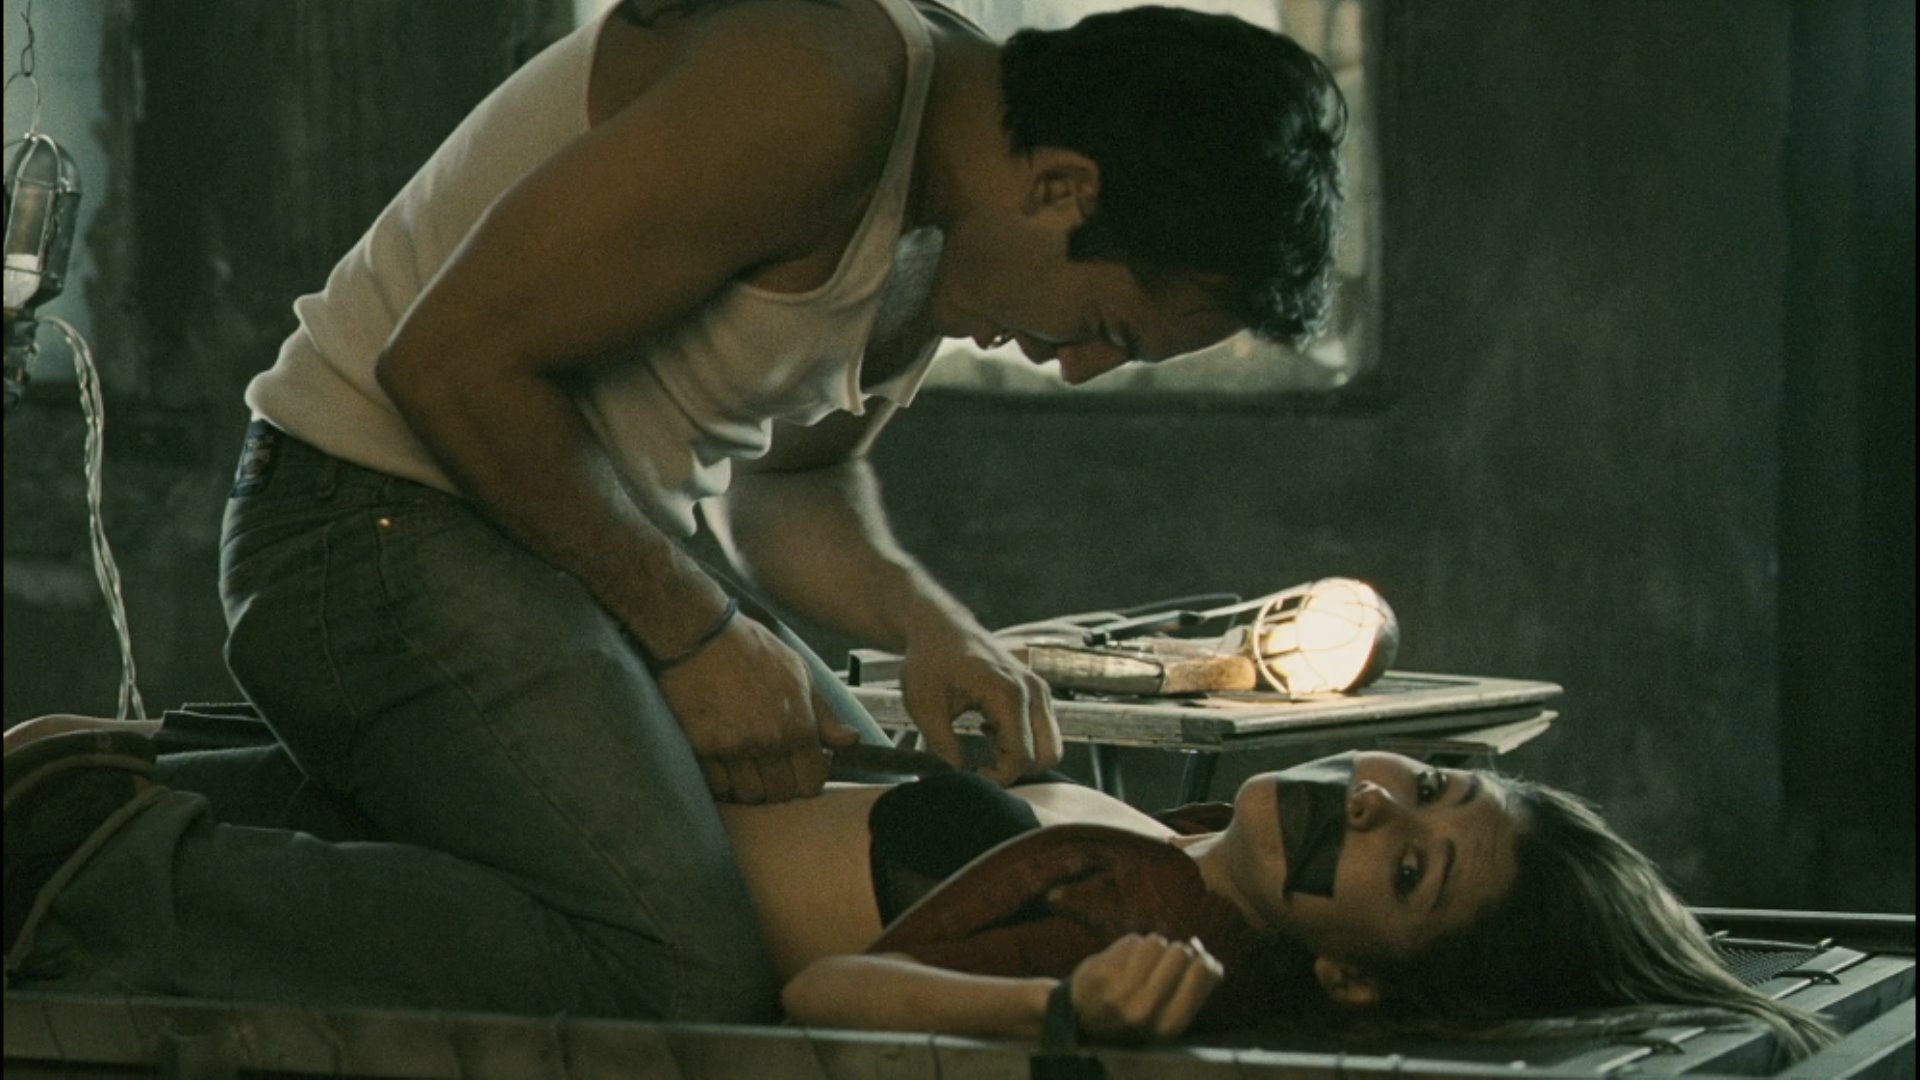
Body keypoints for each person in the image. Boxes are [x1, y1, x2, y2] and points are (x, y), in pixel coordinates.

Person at [1, 0, 1349, 1024]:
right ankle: (78, 875)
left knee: (852, 823)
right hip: (361, 523)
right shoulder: (820, 92)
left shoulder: (950, 212)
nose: (1080, 366)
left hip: (537, 561)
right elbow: (448, 368)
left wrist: (929, 627)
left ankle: (155, 785)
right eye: (1108, 326)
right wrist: (698, 638)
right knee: (675, 968)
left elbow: (795, 486)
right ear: (1060, 188)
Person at [5, 725, 1833, 1059]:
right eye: (1422, 782)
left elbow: (821, 1000)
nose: (1372, 801)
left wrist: (1062, 1012)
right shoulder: (1159, 834)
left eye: (1404, 863)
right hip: (441, 797)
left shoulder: (1155, 938)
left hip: (457, 884)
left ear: (1354, 978)